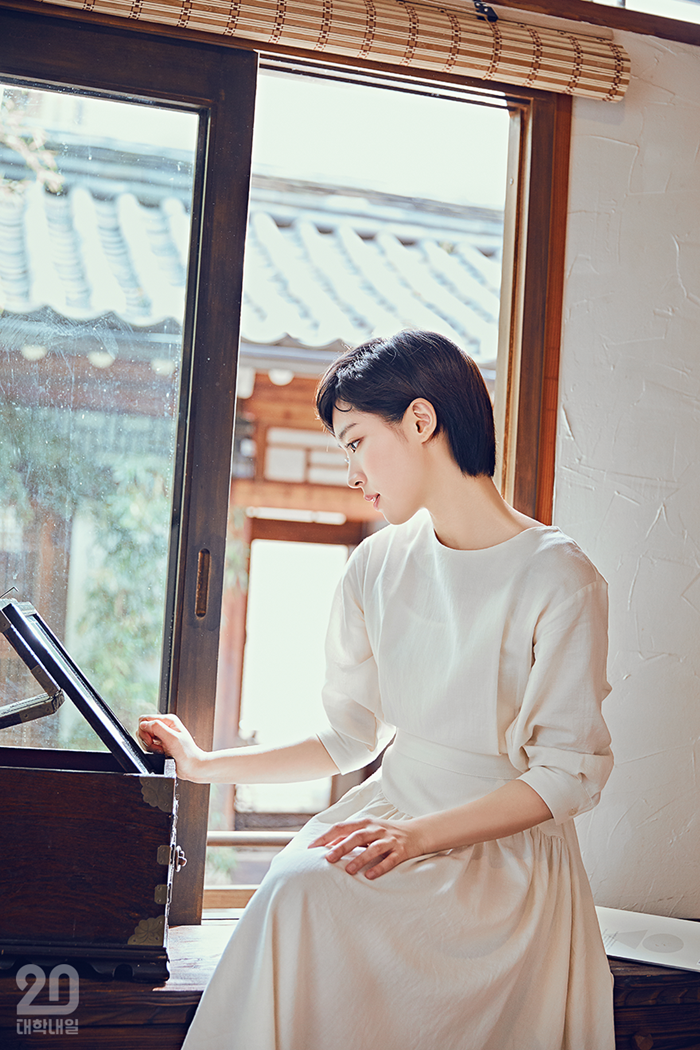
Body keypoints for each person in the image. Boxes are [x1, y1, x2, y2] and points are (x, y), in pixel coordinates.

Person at [139, 330, 615, 1050]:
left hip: (500, 852)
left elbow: (567, 776)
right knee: (295, 889)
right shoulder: (378, 564)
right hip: (393, 814)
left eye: (357, 441)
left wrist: (416, 837)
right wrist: (207, 766)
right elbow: (348, 736)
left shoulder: (560, 577)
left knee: (307, 892)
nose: (352, 472)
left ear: (421, 421)